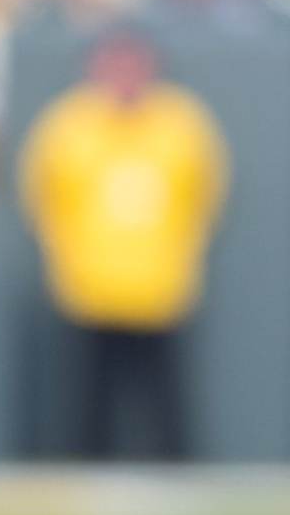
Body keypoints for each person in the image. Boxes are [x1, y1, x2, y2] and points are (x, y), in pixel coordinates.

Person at [19, 32, 228, 459]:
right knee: (87, 401)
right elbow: (42, 195)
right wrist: (65, 255)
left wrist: (184, 252)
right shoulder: (69, 123)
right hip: (89, 288)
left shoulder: (181, 122)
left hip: (161, 286)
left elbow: (206, 193)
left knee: (166, 401)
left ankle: (176, 482)